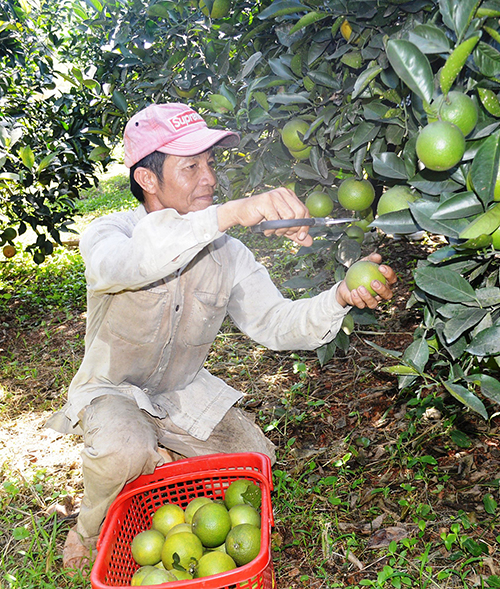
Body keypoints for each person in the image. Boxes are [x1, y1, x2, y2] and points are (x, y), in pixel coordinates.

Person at [46, 103, 397, 571]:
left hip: (181, 393)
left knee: (255, 460)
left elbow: (275, 322)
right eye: (191, 167)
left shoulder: (227, 253)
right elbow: (140, 260)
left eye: (210, 164)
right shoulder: (110, 235)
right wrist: (237, 211)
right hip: (113, 389)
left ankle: (163, 453)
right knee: (121, 449)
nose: (209, 177)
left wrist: (337, 298)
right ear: (148, 180)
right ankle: (89, 529)